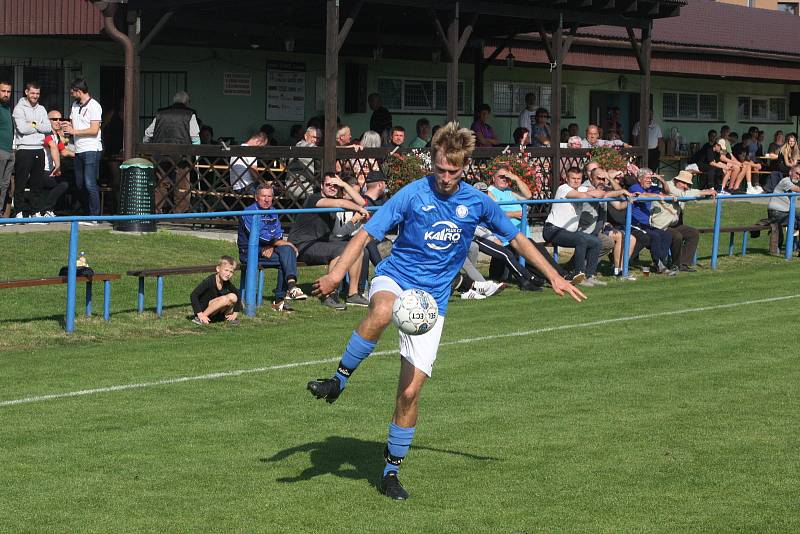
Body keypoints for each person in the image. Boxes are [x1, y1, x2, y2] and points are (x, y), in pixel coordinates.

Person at [305, 122, 585, 500]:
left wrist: (553, 275)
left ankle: (390, 472)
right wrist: (337, 272)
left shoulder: (477, 202)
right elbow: (366, 233)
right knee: (384, 308)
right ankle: (338, 380)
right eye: (440, 169)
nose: (446, 177)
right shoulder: (411, 195)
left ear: (465, 167)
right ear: (432, 164)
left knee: (409, 394)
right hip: (397, 278)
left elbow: (517, 238)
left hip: (432, 302)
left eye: (453, 171)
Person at [288, 172, 369, 310]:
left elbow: (361, 201)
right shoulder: (314, 199)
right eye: (328, 185)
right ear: (321, 186)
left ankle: (353, 294)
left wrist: (343, 184)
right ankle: (328, 295)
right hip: (301, 246)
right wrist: (360, 209)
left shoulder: (335, 202)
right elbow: (342, 202)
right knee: (340, 250)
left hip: (321, 244)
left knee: (357, 248)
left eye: (335, 185)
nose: (332, 188)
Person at [238, 184, 306, 312]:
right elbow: (258, 237)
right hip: (250, 253)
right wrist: (282, 243)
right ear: (256, 197)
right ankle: (282, 297)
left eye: (269, 196)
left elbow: (278, 235)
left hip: (267, 249)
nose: (267, 199)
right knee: (287, 252)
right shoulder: (248, 212)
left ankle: (290, 288)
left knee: (287, 251)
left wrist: (271, 245)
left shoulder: (273, 212)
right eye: (263, 196)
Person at [653, 170, 715, 271]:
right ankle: (676, 264)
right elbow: (683, 195)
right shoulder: (668, 186)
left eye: (688, 184)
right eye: (684, 183)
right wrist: (703, 192)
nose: (686, 186)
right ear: (677, 180)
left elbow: (688, 194)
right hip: (661, 225)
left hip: (672, 223)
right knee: (677, 236)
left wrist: (707, 193)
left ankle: (683, 263)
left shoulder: (683, 189)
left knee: (693, 233)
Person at [63, 78, 102, 222]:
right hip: (78, 150)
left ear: (79, 91)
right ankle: (87, 213)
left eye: (73, 92)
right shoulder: (74, 105)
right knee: (80, 184)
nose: (72, 95)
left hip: (92, 149)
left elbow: (94, 130)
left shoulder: (94, 106)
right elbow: (74, 125)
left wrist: (74, 131)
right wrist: (67, 127)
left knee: (90, 183)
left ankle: (95, 217)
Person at [12, 81, 51, 218]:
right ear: (26, 92)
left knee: (37, 184)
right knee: (21, 182)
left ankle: (35, 211)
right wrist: (38, 124)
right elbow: (22, 129)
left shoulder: (42, 109)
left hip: (39, 149)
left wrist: (33, 124)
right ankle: (18, 211)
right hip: (24, 149)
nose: (35, 96)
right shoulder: (19, 108)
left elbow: (48, 128)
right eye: (33, 93)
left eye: (37, 93)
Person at [628, 168, 676, 275]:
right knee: (655, 236)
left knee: (666, 235)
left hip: (646, 225)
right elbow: (642, 196)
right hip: (633, 224)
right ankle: (659, 264)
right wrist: (659, 196)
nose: (650, 180)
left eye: (651, 178)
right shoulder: (634, 187)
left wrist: (661, 180)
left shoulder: (651, 188)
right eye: (647, 178)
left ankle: (660, 262)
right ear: (640, 179)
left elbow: (667, 192)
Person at [190, 256, 242, 325]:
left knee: (233, 296)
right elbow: (193, 295)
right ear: (218, 269)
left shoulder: (227, 282)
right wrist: (200, 314)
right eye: (226, 270)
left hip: (215, 311)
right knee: (224, 299)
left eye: (231, 272)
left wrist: (235, 313)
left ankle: (227, 317)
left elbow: (237, 294)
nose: (228, 274)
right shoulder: (209, 281)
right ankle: (200, 319)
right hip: (204, 310)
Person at [767, 164, 800, 255]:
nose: (798, 176)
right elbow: (796, 189)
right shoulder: (785, 181)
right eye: (797, 173)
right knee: (795, 221)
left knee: (797, 219)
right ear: (790, 172)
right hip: (776, 212)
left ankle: (795, 246)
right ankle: (793, 246)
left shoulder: (795, 182)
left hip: (787, 211)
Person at [0, 80, 13, 216]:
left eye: (8, 91)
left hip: (9, 151)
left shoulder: (7, 108)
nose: (6, 94)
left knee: (4, 186)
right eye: (3, 91)